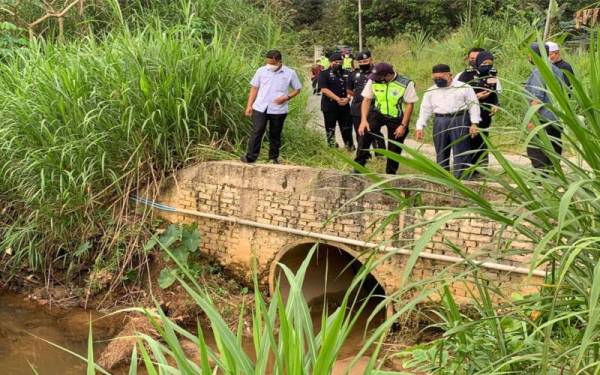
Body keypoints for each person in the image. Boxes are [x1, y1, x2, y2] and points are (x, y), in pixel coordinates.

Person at [415, 64, 481, 179]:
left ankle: (462, 180)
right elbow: (425, 109)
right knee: (441, 152)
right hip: (440, 121)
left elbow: (473, 105)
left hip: (459, 120)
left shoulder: (464, 87)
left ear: (450, 75)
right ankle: (443, 179)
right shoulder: (431, 91)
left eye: (441, 78)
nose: (438, 81)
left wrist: (474, 123)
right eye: (435, 79)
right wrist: (420, 126)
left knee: (461, 151)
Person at [355, 62, 418, 174]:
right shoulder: (373, 80)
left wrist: (403, 125)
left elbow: (409, 104)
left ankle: (390, 174)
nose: (375, 79)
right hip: (378, 113)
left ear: (388, 75)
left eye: (379, 77)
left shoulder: (406, 83)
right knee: (364, 133)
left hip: (396, 116)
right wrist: (363, 120)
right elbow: (367, 100)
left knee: (395, 146)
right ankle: (358, 167)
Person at [241, 50, 302, 164]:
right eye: (268, 63)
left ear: (279, 61)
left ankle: (273, 157)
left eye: (272, 63)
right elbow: (254, 88)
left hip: (278, 109)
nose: (270, 65)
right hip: (260, 107)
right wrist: (249, 105)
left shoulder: (290, 73)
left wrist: (287, 97)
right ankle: (250, 157)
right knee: (257, 131)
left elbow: (297, 89)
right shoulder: (261, 71)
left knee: (275, 133)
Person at [524, 42, 566, 171]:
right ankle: (552, 172)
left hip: (542, 119)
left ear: (534, 55)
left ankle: (542, 177)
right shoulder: (556, 70)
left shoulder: (539, 71)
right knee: (553, 146)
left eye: (529, 55)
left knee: (536, 148)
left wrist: (531, 120)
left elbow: (537, 98)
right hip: (556, 117)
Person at [457, 50, 500, 169]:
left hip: (485, 114)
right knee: (469, 139)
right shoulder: (466, 75)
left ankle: (481, 168)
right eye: (484, 63)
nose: (487, 65)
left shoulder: (492, 74)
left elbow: (493, 92)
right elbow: (459, 95)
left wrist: (496, 104)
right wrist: (475, 97)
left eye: (490, 63)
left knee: (482, 140)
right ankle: (466, 168)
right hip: (469, 113)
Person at [348, 51, 386, 154]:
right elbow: (349, 90)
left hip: (373, 108)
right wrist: (360, 97)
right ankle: (364, 154)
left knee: (374, 131)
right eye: (361, 62)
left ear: (371, 59)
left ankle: (380, 154)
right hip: (357, 108)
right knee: (359, 132)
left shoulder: (378, 73)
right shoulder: (353, 74)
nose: (363, 63)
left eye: (365, 61)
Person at [318, 52, 355, 150]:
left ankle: (349, 146)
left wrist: (348, 98)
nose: (338, 64)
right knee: (330, 128)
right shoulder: (324, 73)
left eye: (340, 62)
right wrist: (338, 99)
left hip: (345, 105)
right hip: (329, 105)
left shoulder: (348, 73)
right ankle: (332, 146)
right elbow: (324, 89)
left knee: (347, 127)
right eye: (336, 62)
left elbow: (352, 88)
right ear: (330, 62)